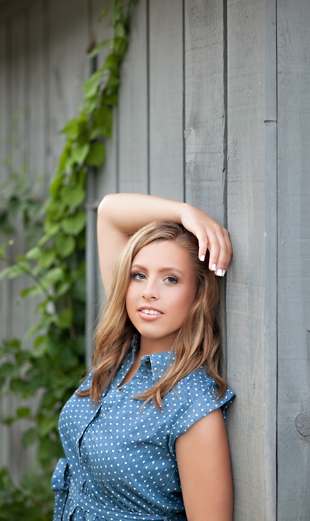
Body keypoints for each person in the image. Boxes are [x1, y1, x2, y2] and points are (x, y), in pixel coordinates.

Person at [52, 194, 235, 521]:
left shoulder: (191, 404)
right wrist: (184, 212)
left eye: (171, 279)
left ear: (197, 294)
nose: (149, 291)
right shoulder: (121, 350)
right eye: (139, 275)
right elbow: (108, 212)